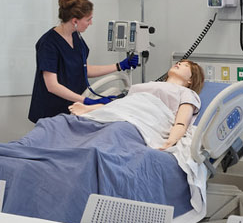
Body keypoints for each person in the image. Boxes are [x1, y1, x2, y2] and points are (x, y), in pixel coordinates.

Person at [29, 0, 139, 124]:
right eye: (88, 20)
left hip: (75, 106)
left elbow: (84, 69)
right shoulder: (48, 43)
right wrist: (86, 101)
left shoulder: (76, 37)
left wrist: (119, 66)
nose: (90, 23)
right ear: (75, 21)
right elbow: (52, 86)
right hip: (52, 110)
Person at [70, 58, 205, 152]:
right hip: (125, 111)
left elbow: (182, 122)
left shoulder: (187, 93)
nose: (179, 63)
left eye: (185, 65)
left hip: (145, 118)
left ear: (191, 80)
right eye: (179, 62)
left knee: (115, 130)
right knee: (68, 123)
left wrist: (172, 139)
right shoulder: (149, 85)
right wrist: (91, 108)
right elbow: (124, 104)